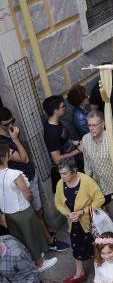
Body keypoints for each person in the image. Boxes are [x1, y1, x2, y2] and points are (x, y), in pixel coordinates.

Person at [0, 107, 67, 251]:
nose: (11, 126)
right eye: (6, 124)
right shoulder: (3, 142)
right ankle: (49, 242)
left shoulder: (8, 133)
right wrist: (16, 139)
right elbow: (24, 159)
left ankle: (46, 237)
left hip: (29, 175)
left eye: (12, 121)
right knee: (37, 213)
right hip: (22, 181)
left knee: (39, 212)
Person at [0, 144, 57, 272]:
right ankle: (40, 263)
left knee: (21, 239)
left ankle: (31, 262)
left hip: (8, 214)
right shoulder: (15, 174)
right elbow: (27, 193)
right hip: (23, 211)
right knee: (32, 237)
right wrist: (29, 202)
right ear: (5, 157)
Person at [54, 158, 105, 283]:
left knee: (96, 247)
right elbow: (58, 203)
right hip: (74, 224)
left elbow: (100, 199)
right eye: (60, 173)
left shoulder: (87, 182)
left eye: (65, 173)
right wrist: (68, 214)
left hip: (89, 223)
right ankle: (79, 273)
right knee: (76, 246)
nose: (62, 176)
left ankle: (102, 272)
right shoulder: (60, 184)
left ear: (74, 171)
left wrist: (82, 212)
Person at [42, 95, 83, 192]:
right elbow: (57, 159)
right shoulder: (51, 132)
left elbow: (63, 140)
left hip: (71, 165)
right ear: (55, 111)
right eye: (62, 106)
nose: (65, 107)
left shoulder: (57, 122)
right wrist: (77, 151)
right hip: (65, 171)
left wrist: (75, 142)